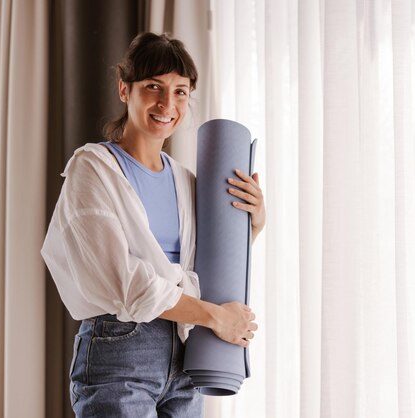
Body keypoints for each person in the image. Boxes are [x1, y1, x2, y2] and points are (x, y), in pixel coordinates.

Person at [41, 32, 266, 417]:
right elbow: (128, 284)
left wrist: (255, 224)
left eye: (180, 92)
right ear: (124, 89)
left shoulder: (186, 181)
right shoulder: (93, 168)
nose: (167, 103)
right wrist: (216, 318)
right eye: (153, 87)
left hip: (187, 353)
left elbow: (204, 264)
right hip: (120, 347)